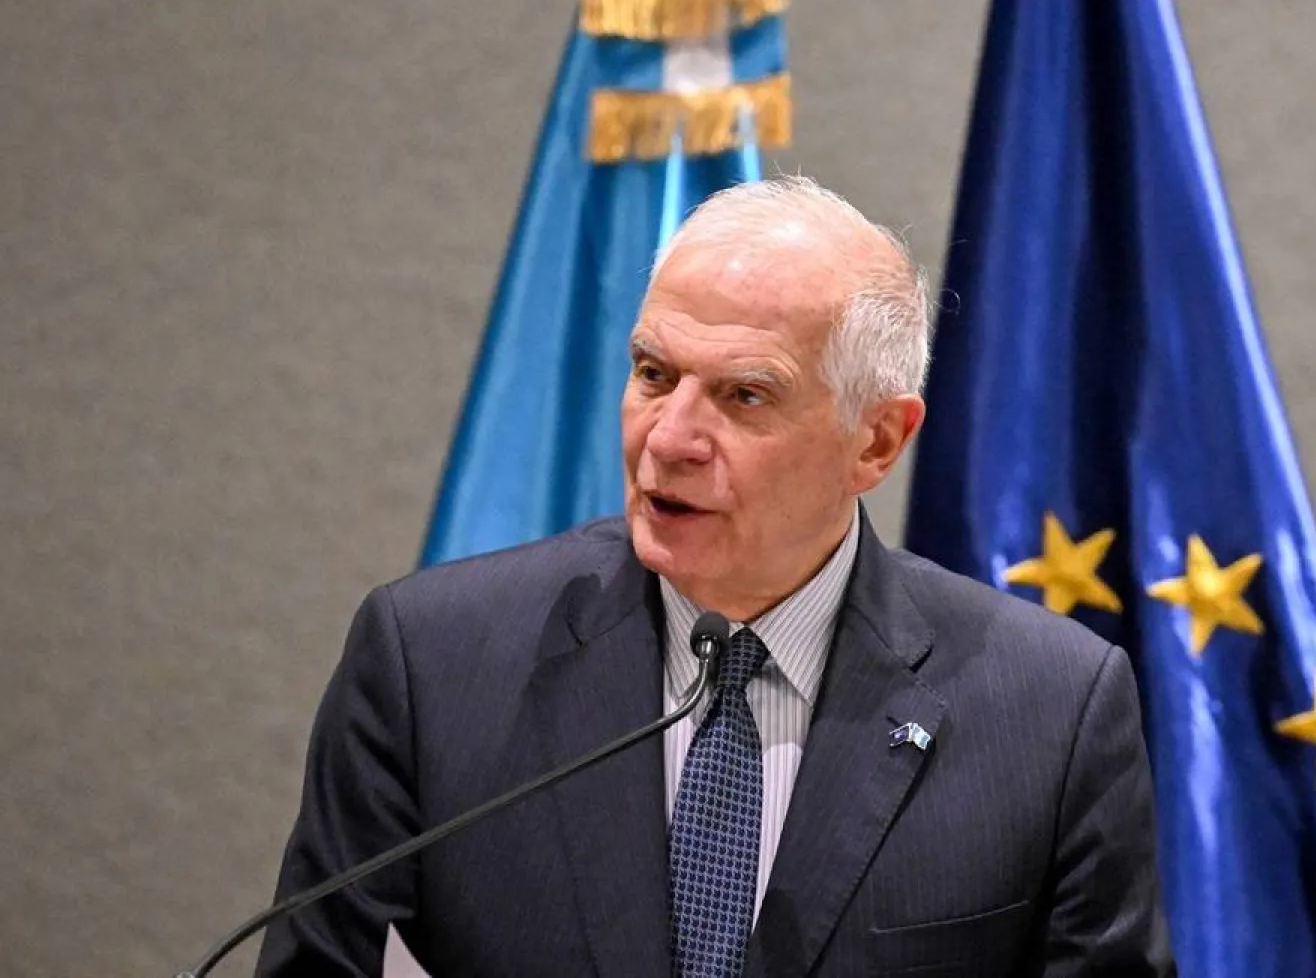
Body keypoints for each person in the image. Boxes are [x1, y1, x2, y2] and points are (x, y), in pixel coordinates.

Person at [258, 176, 1174, 977]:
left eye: (745, 395)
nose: (668, 440)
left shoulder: (1050, 712)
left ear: (878, 439)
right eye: (654, 374)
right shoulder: (432, 665)